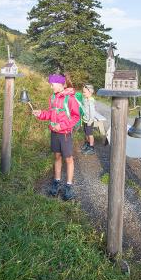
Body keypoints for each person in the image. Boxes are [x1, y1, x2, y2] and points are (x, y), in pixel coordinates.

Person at [32, 73, 80, 201]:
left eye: (52, 84)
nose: (51, 87)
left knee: (68, 159)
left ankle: (69, 186)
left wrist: (63, 126)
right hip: (54, 133)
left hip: (65, 134)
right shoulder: (52, 97)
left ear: (60, 84)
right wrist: (41, 114)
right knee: (57, 156)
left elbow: (76, 116)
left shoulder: (70, 99)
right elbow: (50, 114)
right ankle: (56, 181)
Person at [80, 84, 97, 155]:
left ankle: (91, 147)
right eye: (83, 92)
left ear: (90, 92)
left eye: (84, 92)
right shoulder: (86, 99)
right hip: (85, 120)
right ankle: (87, 144)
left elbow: (92, 112)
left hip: (89, 121)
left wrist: (90, 120)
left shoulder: (91, 101)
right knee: (86, 133)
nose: (83, 94)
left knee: (90, 134)